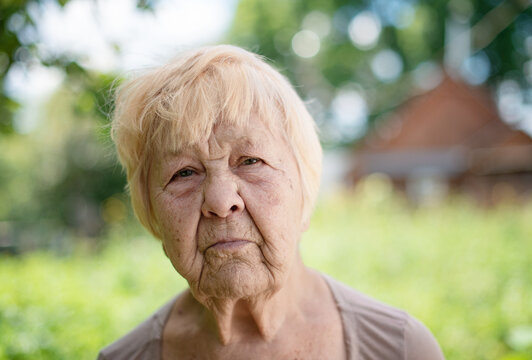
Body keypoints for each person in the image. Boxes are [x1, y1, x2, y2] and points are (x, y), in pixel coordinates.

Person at [97, 45, 444, 360]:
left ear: (305, 187)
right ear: (151, 211)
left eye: (250, 161)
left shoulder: (403, 349)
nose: (220, 202)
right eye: (184, 173)